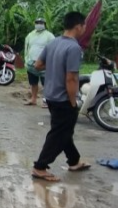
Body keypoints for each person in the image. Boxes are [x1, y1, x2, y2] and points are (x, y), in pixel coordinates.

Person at [31, 11, 91, 181]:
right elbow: (71, 78)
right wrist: (73, 101)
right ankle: (40, 167)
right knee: (59, 133)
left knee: (64, 131)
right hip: (63, 98)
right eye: (84, 26)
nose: (85, 29)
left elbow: (38, 65)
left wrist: (54, 65)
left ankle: (74, 160)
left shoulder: (53, 43)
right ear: (78, 26)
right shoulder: (73, 48)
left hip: (50, 95)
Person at [23, 17, 56, 106]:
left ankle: (47, 101)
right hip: (31, 63)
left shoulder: (49, 36)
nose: (39, 24)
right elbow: (27, 48)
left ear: (44, 24)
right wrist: (26, 60)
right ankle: (33, 99)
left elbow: (54, 49)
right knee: (33, 83)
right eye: (37, 22)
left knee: (46, 83)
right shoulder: (30, 35)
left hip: (44, 63)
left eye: (41, 23)